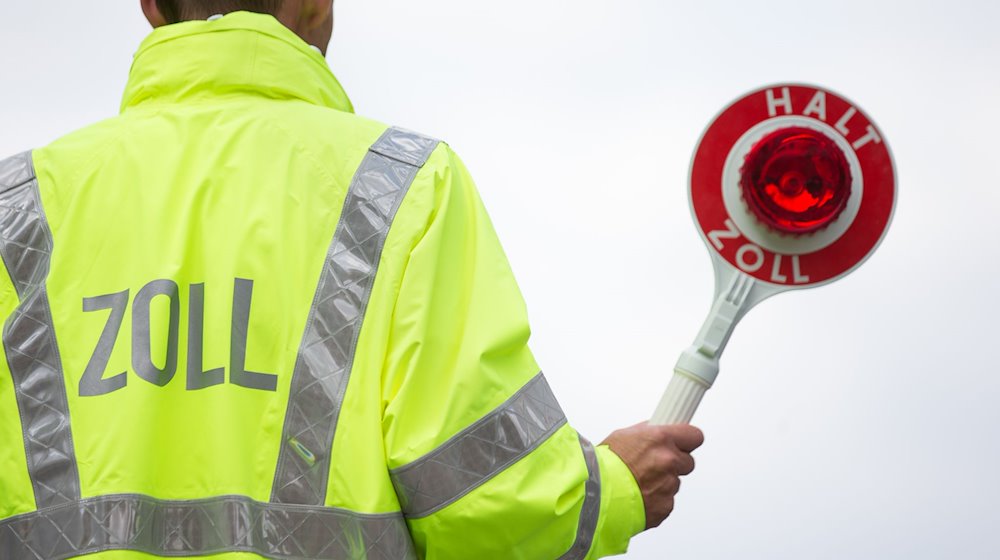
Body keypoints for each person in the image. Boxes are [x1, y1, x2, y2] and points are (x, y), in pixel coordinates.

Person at [0, 1, 703, 558]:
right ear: (318, 5)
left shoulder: (17, 207)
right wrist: (608, 490)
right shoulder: (400, 187)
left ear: (151, 6)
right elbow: (485, 505)